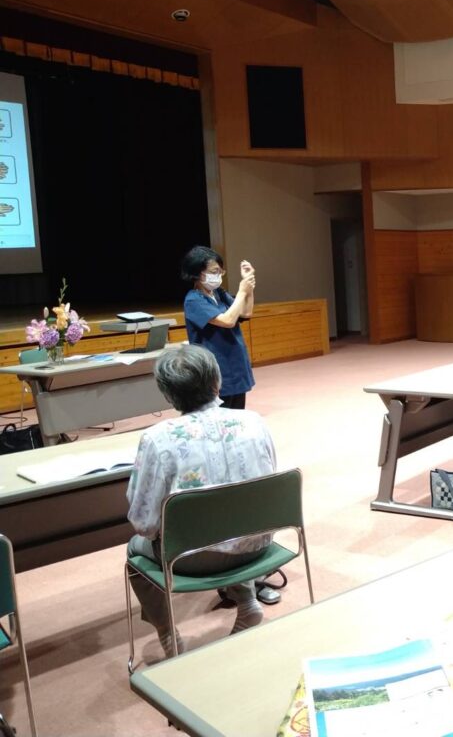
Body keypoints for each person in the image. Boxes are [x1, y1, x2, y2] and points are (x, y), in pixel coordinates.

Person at [126, 346, 276, 657]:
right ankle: (248, 602)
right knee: (232, 516)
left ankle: (168, 634)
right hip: (258, 545)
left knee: (134, 551)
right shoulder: (254, 422)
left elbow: (144, 523)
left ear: (167, 394)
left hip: (191, 559)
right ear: (217, 382)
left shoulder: (157, 438)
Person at [181, 245, 255, 410]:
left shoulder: (219, 293)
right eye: (214, 272)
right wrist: (242, 292)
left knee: (237, 415)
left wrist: (249, 288)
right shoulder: (193, 300)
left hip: (235, 362)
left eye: (221, 272)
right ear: (198, 273)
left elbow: (246, 312)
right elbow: (227, 321)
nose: (218, 276)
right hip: (215, 368)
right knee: (219, 417)